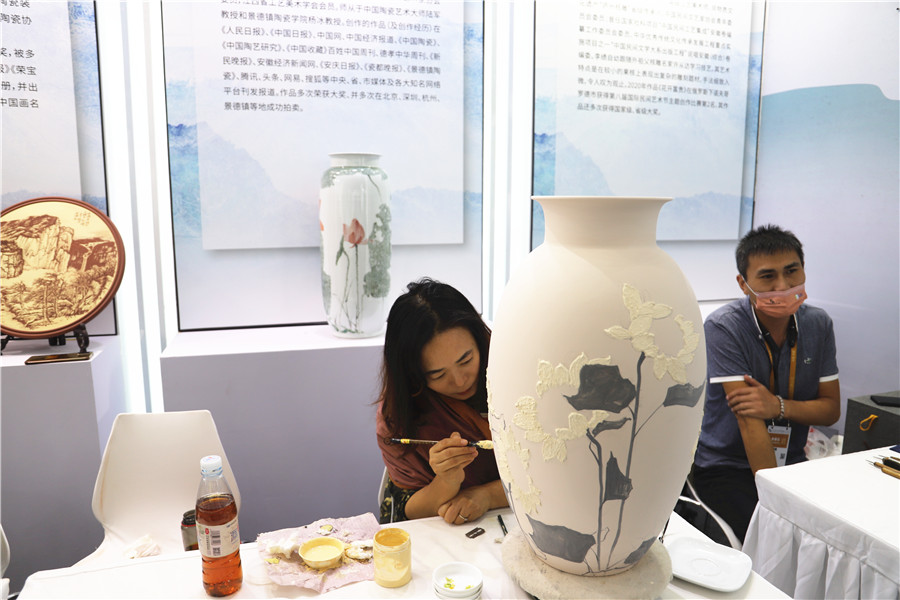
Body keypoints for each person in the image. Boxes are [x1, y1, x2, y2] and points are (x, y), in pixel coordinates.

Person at [690, 224, 840, 543]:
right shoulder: (724, 327)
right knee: (771, 541)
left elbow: (830, 410)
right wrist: (774, 505)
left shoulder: (818, 324)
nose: (783, 285)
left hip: (792, 463)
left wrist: (777, 407)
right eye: (768, 276)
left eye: (791, 271)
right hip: (726, 466)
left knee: (832, 536)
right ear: (743, 284)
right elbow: (750, 422)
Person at [375, 278, 508, 525]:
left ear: (479, 339)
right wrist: (446, 480)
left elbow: (557, 472)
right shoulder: (399, 416)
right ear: (413, 375)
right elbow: (407, 510)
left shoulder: (514, 370)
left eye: (466, 360)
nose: (459, 381)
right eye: (437, 375)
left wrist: (488, 495)